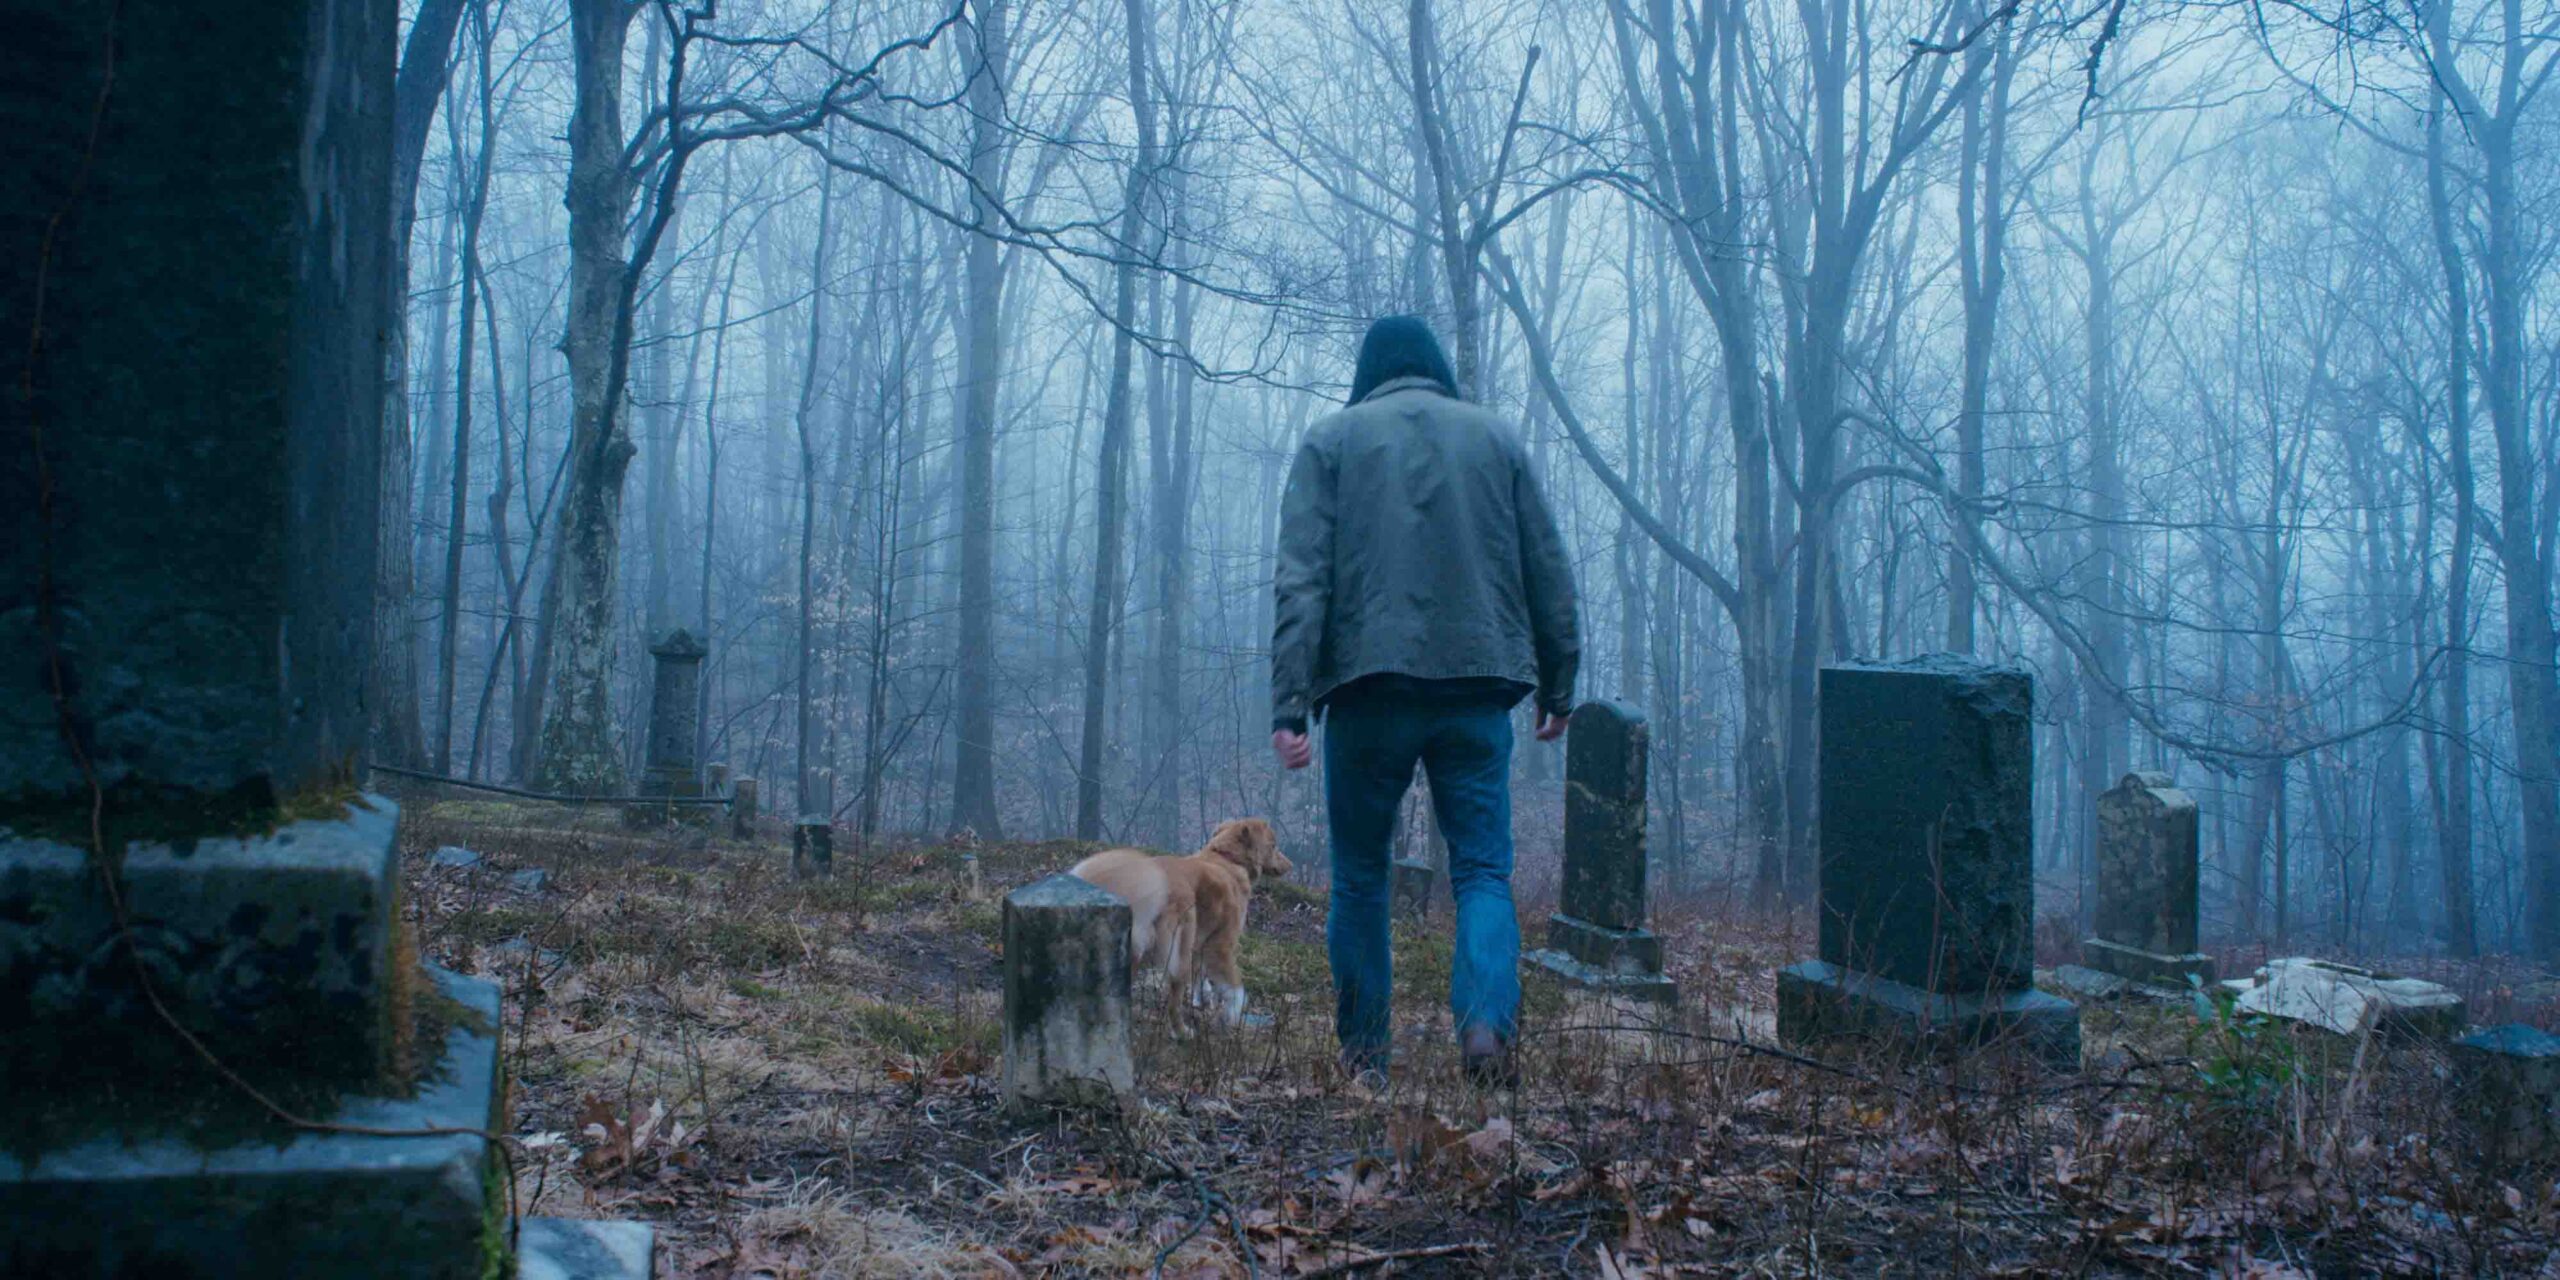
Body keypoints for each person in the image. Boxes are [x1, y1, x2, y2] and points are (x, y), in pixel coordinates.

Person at [1270, 315, 1580, 1086]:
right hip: (1476, 687)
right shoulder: (1497, 439)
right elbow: (1549, 566)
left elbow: (1302, 580)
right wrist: (1560, 681)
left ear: (1369, 374)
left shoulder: (1331, 441)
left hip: (1368, 691)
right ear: (1438, 367)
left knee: (1361, 874)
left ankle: (1366, 1059)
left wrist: (1289, 704)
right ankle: (1483, 1027)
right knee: (1480, 870)